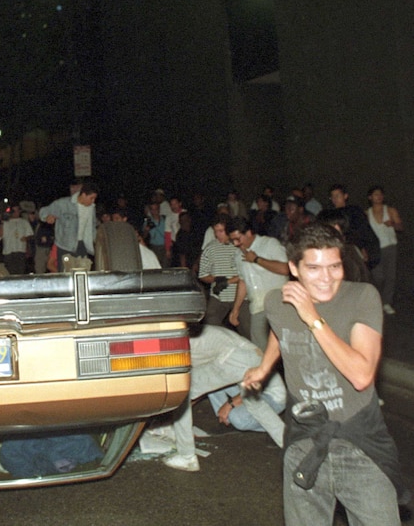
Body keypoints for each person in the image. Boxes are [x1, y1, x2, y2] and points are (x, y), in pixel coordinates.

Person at [243, 222, 409, 525]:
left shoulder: (362, 297)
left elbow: (361, 375)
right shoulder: (276, 302)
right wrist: (265, 366)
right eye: (314, 268)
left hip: (359, 444)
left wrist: (312, 317)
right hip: (304, 440)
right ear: (294, 268)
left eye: (334, 267)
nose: (326, 278)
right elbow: (280, 333)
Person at [163, 324, 285, 472]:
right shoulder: (182, 331)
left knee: (183, 391)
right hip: (250, 354)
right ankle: (289, 443)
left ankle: (187, 456)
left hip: (233, 357)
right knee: (256, 406)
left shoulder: (170, 342)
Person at [226, 217, 290, 350]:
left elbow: (285, 269)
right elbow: (243, 282)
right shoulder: (238, 255)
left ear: (248, 233)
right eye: (233, 240)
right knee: (260, 348)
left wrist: (257, 260)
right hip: (257, 307)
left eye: (238, 239)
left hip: (279, 304)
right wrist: (235, 309)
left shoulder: (270, 244)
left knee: (285, 346)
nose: (236, 243)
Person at [38, 180, 100, 271]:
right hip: (65, 246)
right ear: (83, 195)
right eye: (91, 198)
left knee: (82, 274)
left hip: (82, 246)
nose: (93, 201)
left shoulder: (91, 209)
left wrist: (96, 241)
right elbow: (43, 211)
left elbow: (93, 227)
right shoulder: (64, 204)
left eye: (94, 198)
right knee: (66, 273)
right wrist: (47, 216)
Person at [198, 214, 241, 331]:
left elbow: (246, 273)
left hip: (239, 296)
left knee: (247, 329)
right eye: (215, 231)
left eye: (221, 231)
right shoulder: (210, 248)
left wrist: (228, 281)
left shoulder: (238, 246)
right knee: (210, 326)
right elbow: (202, 275)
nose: (218, 235)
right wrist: (216, 279)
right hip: (218, 295)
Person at [366, 185, 403, 314]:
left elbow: (400, 227)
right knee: (378, 276)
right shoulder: (367, 213)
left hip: (390, 246)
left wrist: (393, 224)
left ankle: (386, 302)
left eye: (380, 194)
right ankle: (378, 299)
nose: (379, 196)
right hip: (375, 249)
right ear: (370, 197)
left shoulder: (390, 210)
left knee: (390, 276)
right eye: (375, 194)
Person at [329, 184, 381, 269]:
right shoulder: (329, 214)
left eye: (337, 195)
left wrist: (362, 247)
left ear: (345, 196)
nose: (335, 199)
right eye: (332, 196)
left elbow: (363, 230)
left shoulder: (354, 211)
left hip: (355, 249)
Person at [0, 206, 33, 275]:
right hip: (8, 252)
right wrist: (1, 222)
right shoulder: (5, 222)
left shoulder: (24, 222)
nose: (15, 213)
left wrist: (26, 238)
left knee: (20, 273)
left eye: (17, 210)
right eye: (13, 211)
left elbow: (30, 235)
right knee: (9, 273)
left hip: (20, 251)